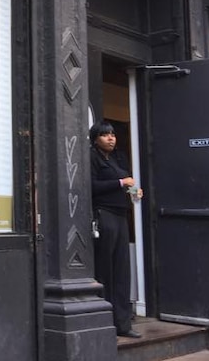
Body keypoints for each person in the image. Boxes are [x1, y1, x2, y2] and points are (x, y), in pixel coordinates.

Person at [90, 120, 143, 339]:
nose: (111, 138)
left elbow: (127, 183)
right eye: (105, 135)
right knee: (106, 270)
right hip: (105, 215)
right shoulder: (92, 157)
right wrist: (121, 183)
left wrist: (134, 192)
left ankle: (122, 323)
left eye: (112, 134)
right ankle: (105, 320)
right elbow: (91, 186)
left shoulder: (117, 158)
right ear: (96, 139)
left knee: (122, 270)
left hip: (122, 216)